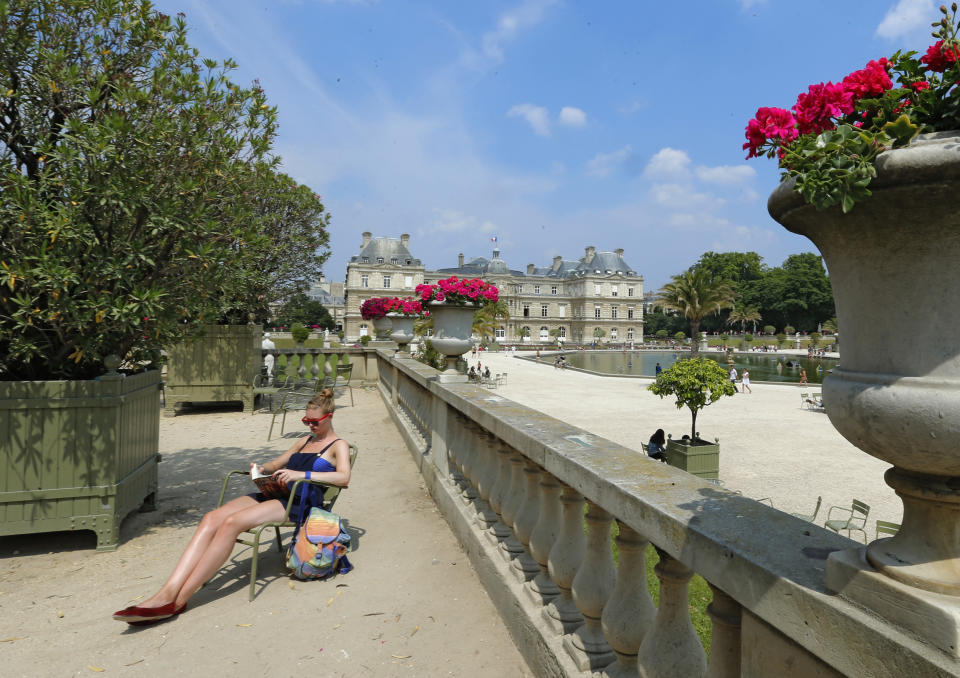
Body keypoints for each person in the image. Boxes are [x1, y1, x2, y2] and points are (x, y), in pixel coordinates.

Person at [112, 390, 351, 625]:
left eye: (314, 421)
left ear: (329, 417)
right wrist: (260, 469)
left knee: (231, 523)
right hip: (276, 492)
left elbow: (343, 478)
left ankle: (178, 601)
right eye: (306, 420)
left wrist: (300, 474)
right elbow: (276, 464)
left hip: (300, 503)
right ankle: (166, 592)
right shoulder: (304, 441)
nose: (310, 425)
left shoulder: (338, 445)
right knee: (211, 518)